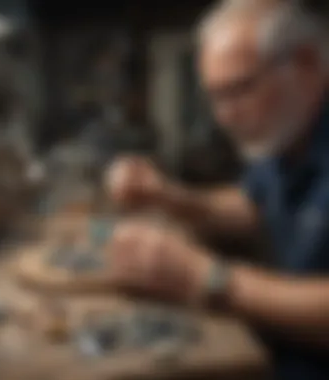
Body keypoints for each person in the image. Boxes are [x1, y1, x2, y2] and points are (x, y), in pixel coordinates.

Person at [104, 1, 329, 380]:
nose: (225, 116)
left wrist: (209, 279)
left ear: (306, 64)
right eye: (216, 97)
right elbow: (249, 206)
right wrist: (165, 194)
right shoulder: (287, 132)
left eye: (240, 89)